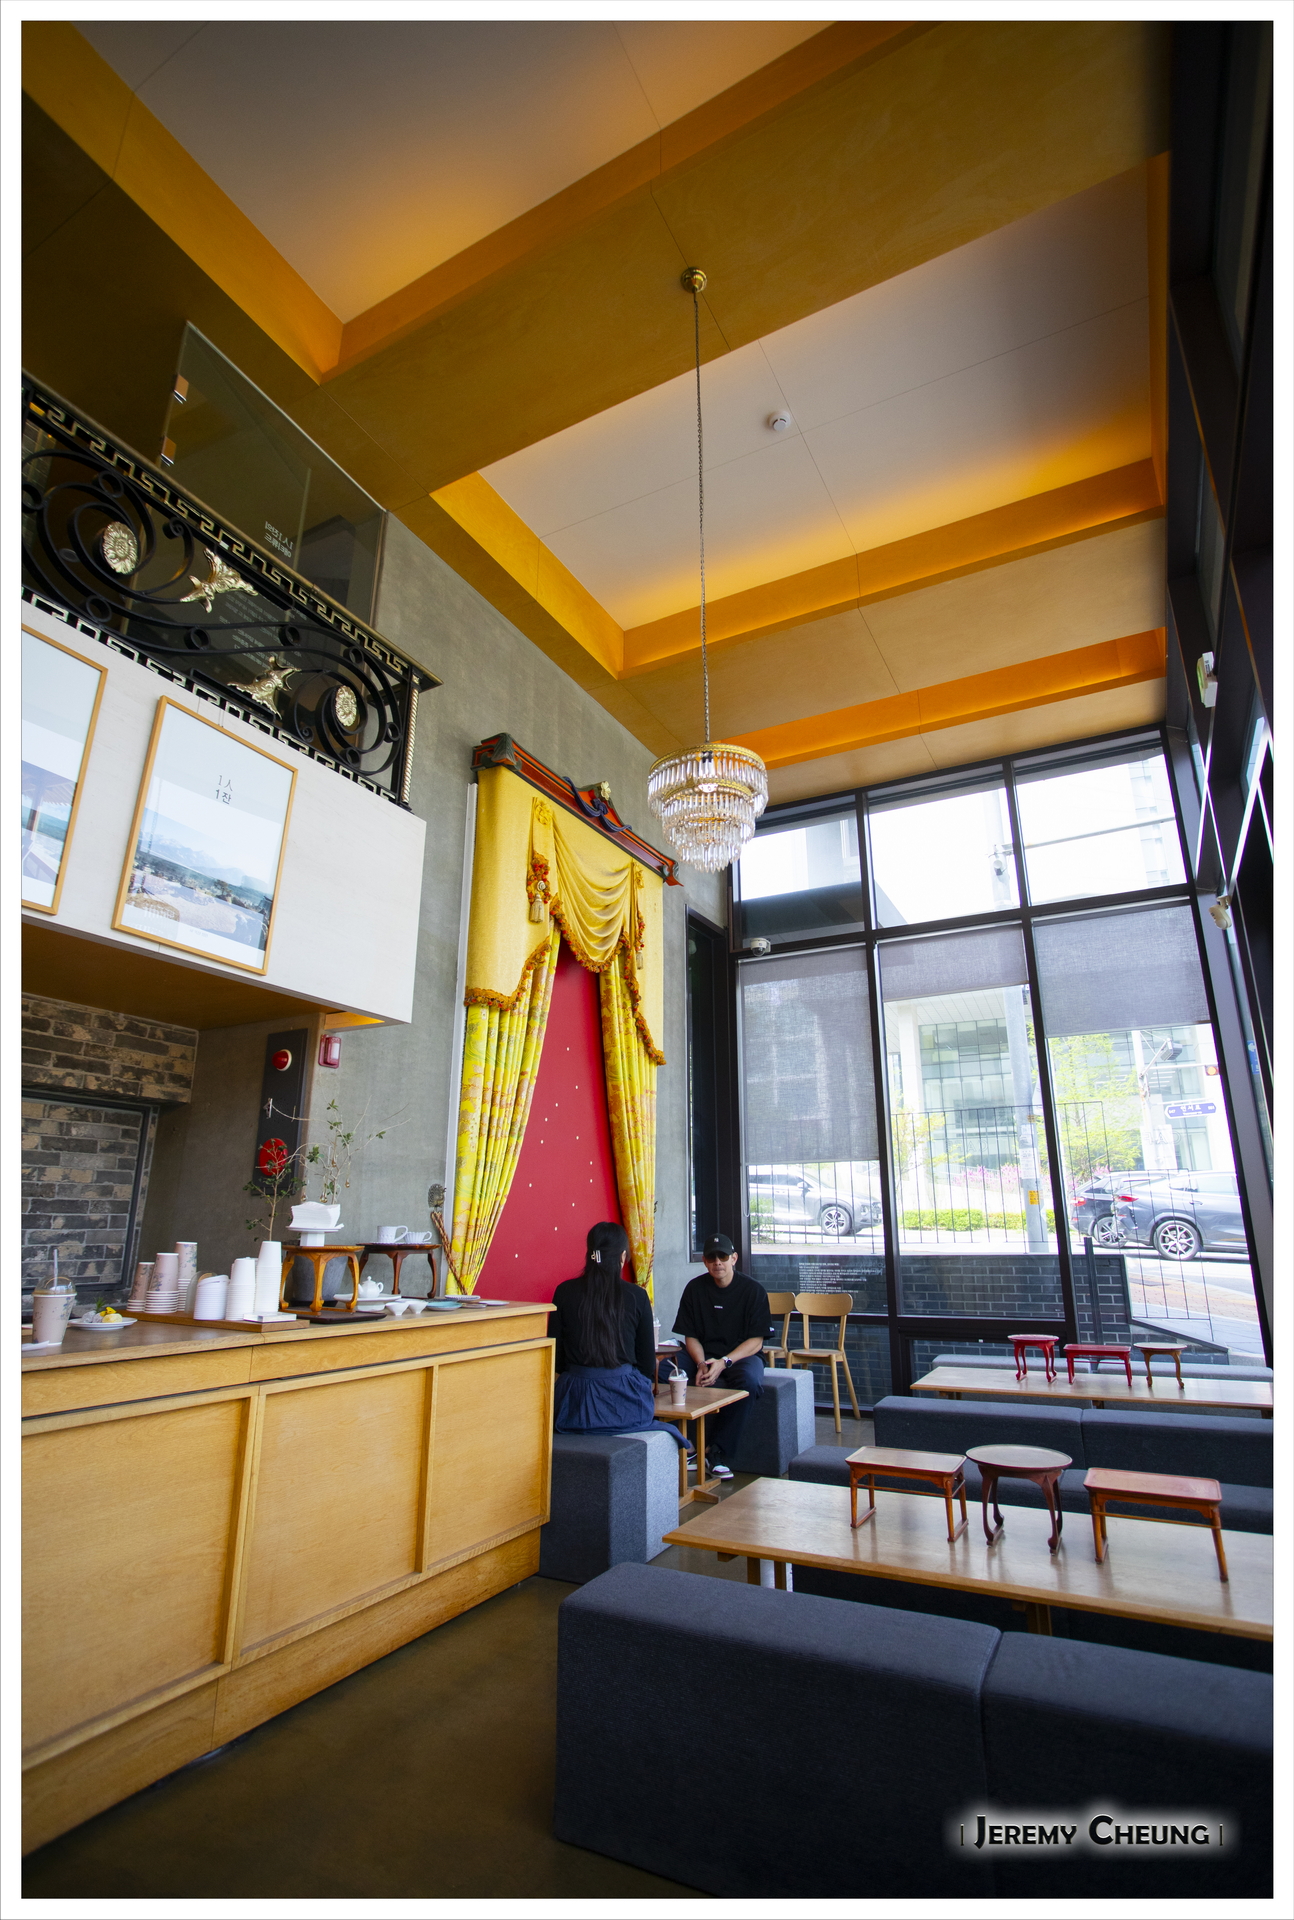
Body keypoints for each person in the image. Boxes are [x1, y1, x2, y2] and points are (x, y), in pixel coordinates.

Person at [548, 1221, 665, 1437]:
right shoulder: (637, 1296)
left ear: (590, 1254)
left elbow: (555, 1357)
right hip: (626, 1403)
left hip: (574, 1403)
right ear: (622, 1257)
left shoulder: (564, 1292)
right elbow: (647, 1363)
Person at [671, 1233, 768, 1478]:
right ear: (704, 1261)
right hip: (703, 1355)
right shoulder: (694, 1288)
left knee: (750, 1381)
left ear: (734, 1258)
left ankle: (716, 1452)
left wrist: (724, 1363)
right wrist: (701, 1364)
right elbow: (690, 1335)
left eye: (723, 1257)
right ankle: (686, 1446)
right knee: (662, 1370)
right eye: (712, 1258)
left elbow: (756, 1341)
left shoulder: (753, 1290)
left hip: (739, 1356)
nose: (717, 1262)